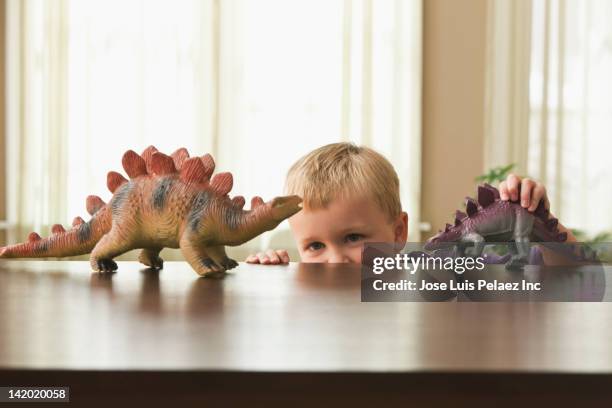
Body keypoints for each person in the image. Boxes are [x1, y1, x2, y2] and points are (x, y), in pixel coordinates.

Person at [245, 142, 575, 265]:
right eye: (315, 246)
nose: (335, 261)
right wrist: (265, 272)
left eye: (353, 238)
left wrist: (541, 219)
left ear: (399, 231)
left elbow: (579, 276)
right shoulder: (306, 294)